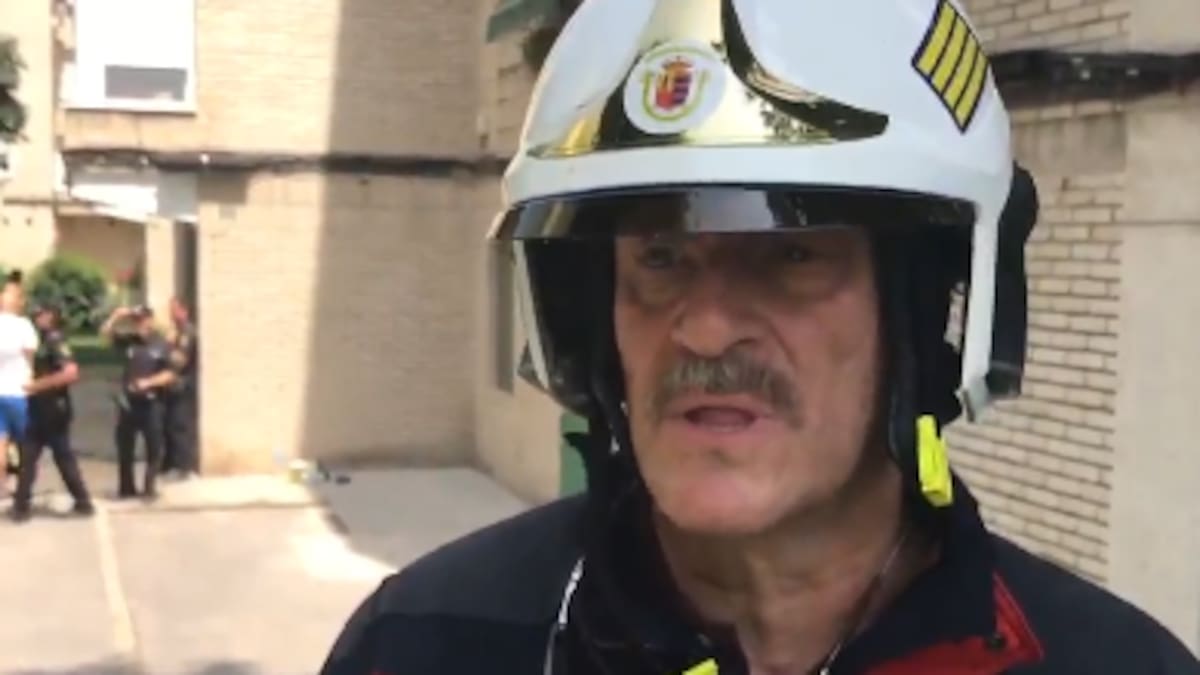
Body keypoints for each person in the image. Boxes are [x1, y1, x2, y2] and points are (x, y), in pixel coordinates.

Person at [321, 1, 1200, 673]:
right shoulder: (430, 643)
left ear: (928, 312)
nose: (703, 325)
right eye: (660, 256)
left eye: (790, 253)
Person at [10, 302, 94, 522]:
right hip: (38, 408)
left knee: (61, 456)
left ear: (51, 316)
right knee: (28, 457)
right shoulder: (41, 340)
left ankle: (83, 501)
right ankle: (21, 506)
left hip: (54, 409)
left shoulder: (56, 340)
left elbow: (70, 373)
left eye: (41, 314)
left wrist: (36, 386)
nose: (37, 317)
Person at [101, 304, 174, 500]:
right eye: (136, 321)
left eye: (142, 320)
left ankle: (149, 488)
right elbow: (105, 334)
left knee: (154, 448)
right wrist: (116, 315)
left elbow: (169, 374)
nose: (139, 324)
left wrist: (149, 382)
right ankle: (126, 487)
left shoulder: (161, 344)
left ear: (150, 320)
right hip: (129, 403)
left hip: (151, 403)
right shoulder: (130, 342)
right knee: (125, 446)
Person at [0, 271, 36, 494]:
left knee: (0, 443)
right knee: (27, 444)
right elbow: (30, 355)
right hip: (19, 392)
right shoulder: (24, 325)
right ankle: (24, 487)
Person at [161, 296, 198, 479]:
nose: (171, 313)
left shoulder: (188, 333)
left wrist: (166, 349)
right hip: (171, 386)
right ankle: (171, 463)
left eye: (174, 309)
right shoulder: (175, 331)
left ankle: (185, 467)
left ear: (184, 311)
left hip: (182, 385)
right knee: (169, 425)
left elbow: (179, 360)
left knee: (180, 425)